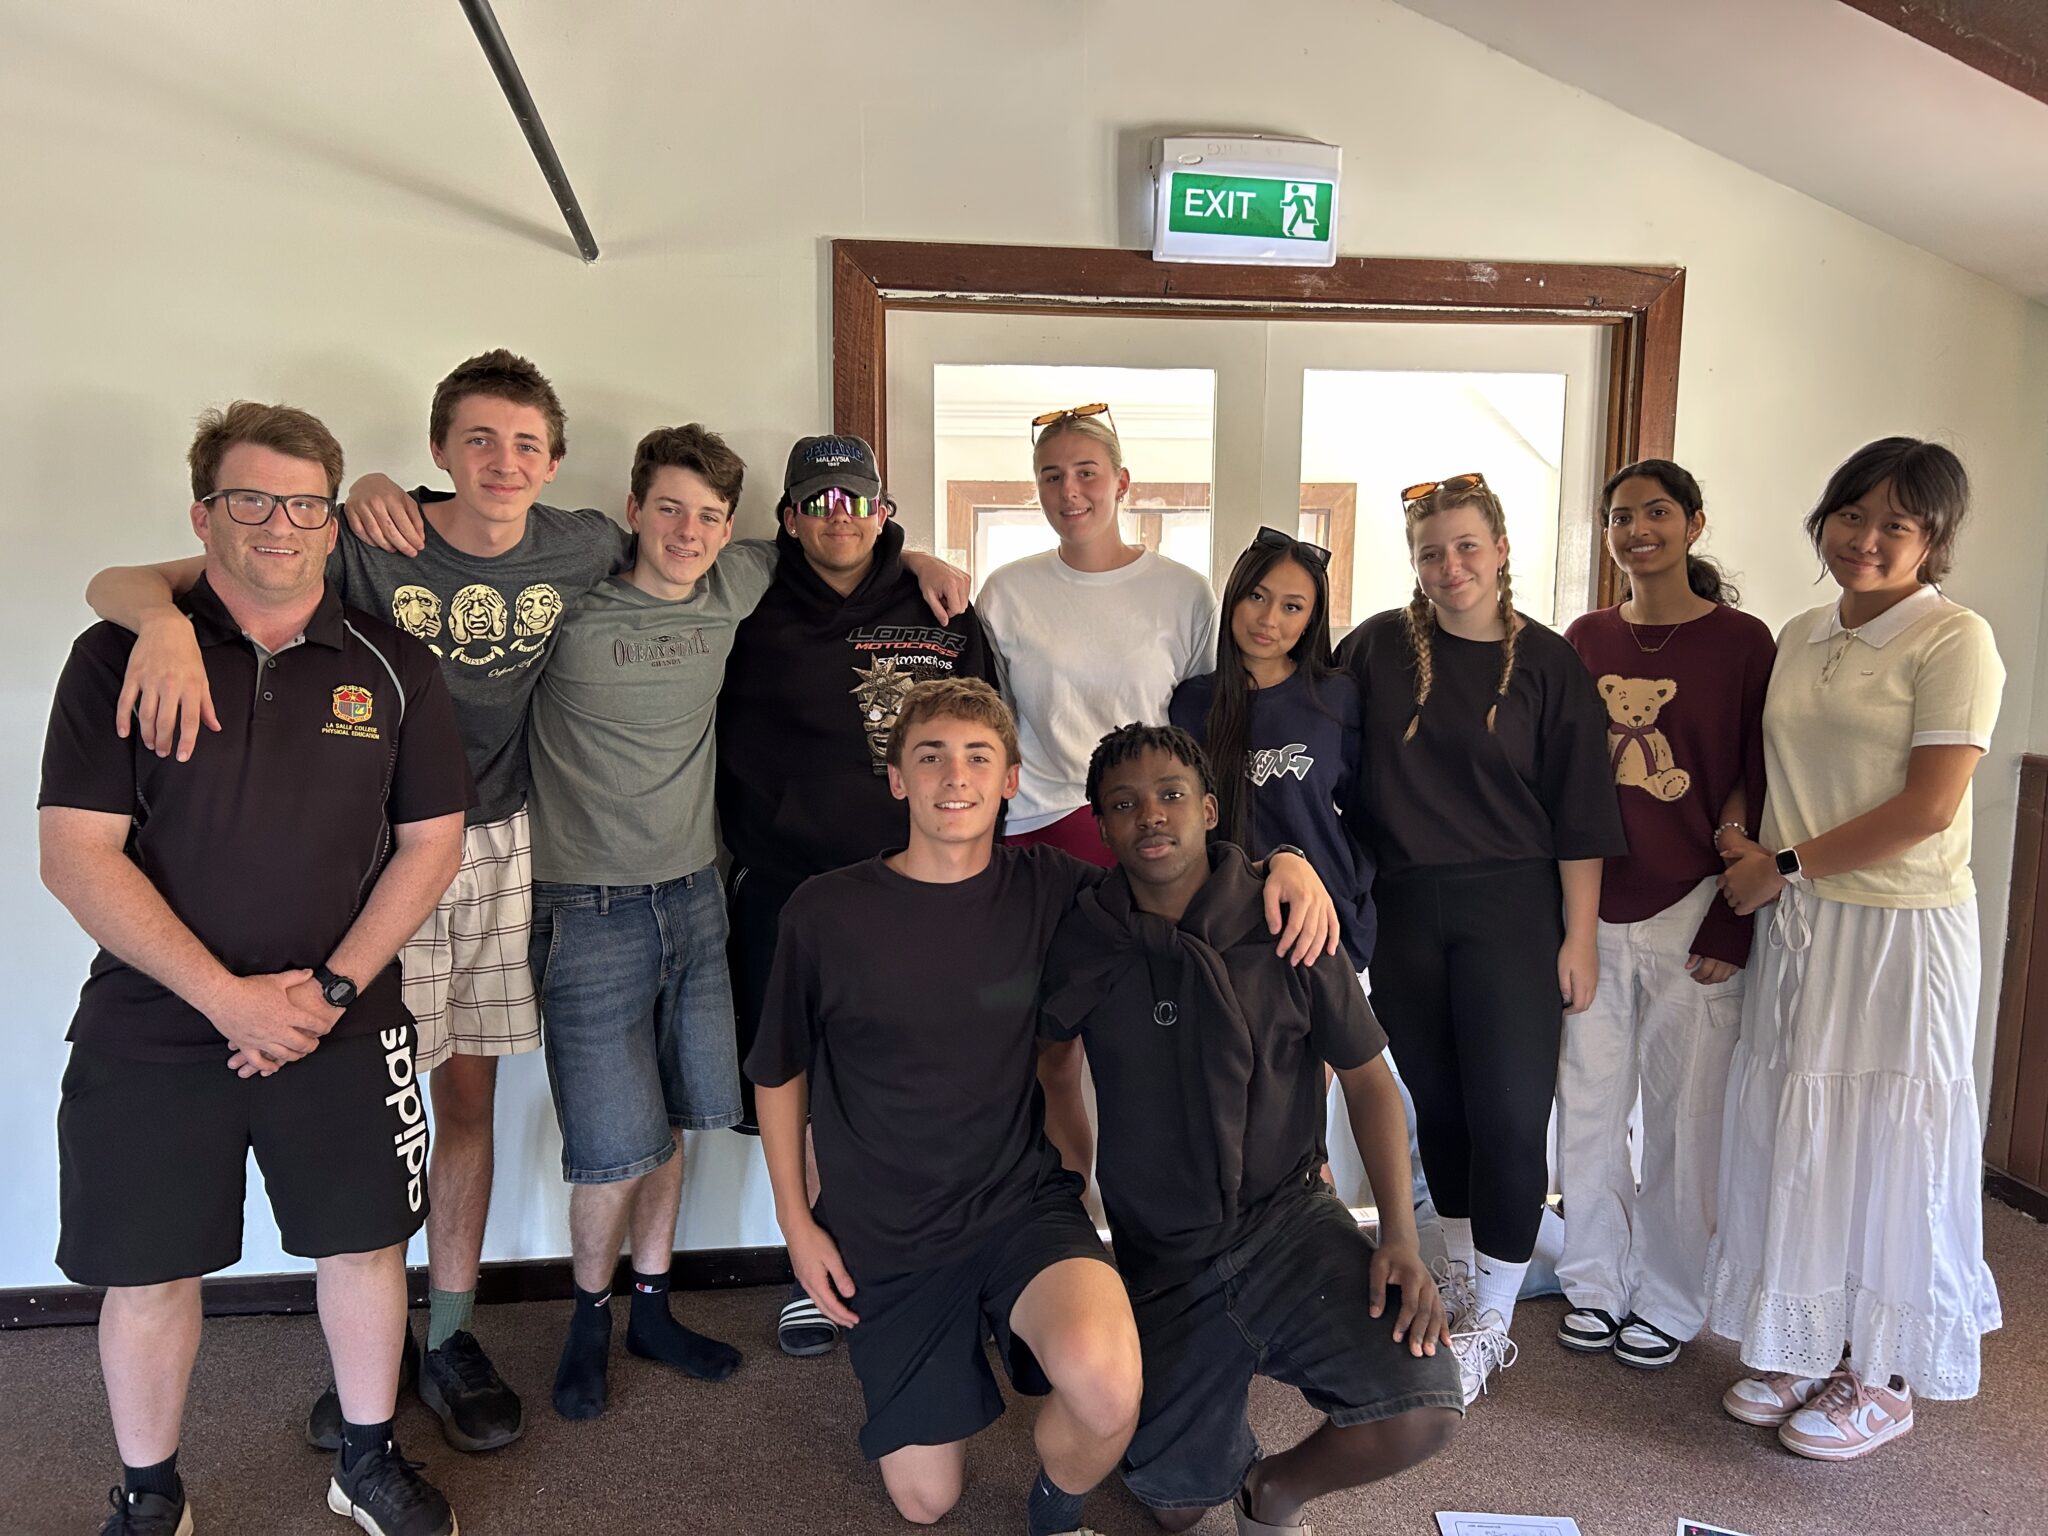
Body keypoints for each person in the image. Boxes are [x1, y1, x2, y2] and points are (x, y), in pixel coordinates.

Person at [86, 350, 632, 1453]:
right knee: (355, 1108)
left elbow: (709, 547)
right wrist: (158, 623)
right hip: (376, 859)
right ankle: (366, 1364)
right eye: (478, 439)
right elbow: (138, 579)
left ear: (554, 462)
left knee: (465, 1099)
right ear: (438, 451)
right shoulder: (371, 532)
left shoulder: (580, 542)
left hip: (495, 839)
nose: (502, 462)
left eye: (526, 444)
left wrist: (908, 552)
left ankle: (451, 1335)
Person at [747, 678, 1337, 1532]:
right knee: (925, 1503)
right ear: (898, 779)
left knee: (1108, 1386)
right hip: (890, 1236)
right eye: (931, 757)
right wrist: (796, 1225)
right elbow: (778, 1073)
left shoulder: (1055, 888)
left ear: (1011, 780)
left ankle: (1054, 1515)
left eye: (978, 757)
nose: (956, 776)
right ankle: (963, 1350)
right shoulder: (825, 912)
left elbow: (1176, 866)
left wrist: (1283, 863)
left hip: (1017, 1207)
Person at [43, 403, 472, 1536]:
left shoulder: (395, 665)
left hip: (343, 1015)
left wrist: (327, 994)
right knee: (147, 1271)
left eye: (303, 504)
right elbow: (75, 856)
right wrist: (228, 1000)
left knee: (366, 1246)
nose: (278, 524)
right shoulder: (117, 656)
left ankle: (366, 1461)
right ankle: (151, 1495)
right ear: (204, 517)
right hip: (154, 1018)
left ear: (331, 523)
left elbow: (432, 844)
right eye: (250, 500)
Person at [1039, 723, 1461, 1536]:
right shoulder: (1087, 937)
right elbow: (1055, 1068)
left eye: (1170, 796)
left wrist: (1400, 1238)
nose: (1150, 816)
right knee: (1174, 1509)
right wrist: (1072, 1207)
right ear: (1101, 827)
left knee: (1423, 1407)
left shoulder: (1288, 919)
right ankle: (1209, 1432)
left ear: (1208, 810)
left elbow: (1369, 1081)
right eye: (1123, 804)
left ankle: (1272, 1490)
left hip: (1287, 1220)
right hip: (1163, 1253)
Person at [1710, 438, 2004, 1460]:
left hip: (1897, 929)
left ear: (1932, 540)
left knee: (1886, 1138)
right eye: (1851, 514)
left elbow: (1928, 808)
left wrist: (1781, 865)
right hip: (1802, 922)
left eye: (1895, 525)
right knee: (1805, 1136)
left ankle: (1883, 1376)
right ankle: (1807, 1342)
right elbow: (1768, 766)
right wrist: (1744, 837)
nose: (1866, 539)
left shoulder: (1954, 639)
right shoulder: (1801, 632)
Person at [1335, 471, 1626, 1404]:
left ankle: (1492, 1321)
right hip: (1406, 910)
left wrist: (1579, 938)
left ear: (1500, 549)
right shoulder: (1376, 648)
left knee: (1508, 1114)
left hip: (1513, 910)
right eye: (1431, 552)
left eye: (1467, 546)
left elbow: (1582, 810)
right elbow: (1312, 738)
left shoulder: (1547, 662)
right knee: (1445, 1112)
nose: (1450, 565)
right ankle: (1462, 1280)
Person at [715, 433, 985, 1358]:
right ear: (789, 518)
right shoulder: (745, 598)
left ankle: (925, 1258)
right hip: (787, 889)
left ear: (885, 512)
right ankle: (814, 1260)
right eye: (819, 502)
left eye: (857, 500)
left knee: (924, 1077)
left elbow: (984, 732)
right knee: (799, 1084)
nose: (841, 517)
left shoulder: (940, 605)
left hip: (920, 886)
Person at [522, 424, 770, 1420]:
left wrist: (917, 556)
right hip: (584, 909)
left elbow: (835, 547)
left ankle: (654, 1311)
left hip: (695, 898)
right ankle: (588, 1319)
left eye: (708, 515)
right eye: (668, 508)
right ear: (632, 510)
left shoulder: (735, 584)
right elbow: (468, 558)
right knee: (610, 1143)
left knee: (672, 1120)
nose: (688, 531)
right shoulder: (565, 605)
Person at [1555, 460, 1777, 1371]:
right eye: (1620, 517)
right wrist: (1563, 922)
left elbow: (1760, 781)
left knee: (1687, 1119)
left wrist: (1732, 921)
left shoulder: (1744, 643)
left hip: (1695, 908)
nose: (1637, 530)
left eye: (1655, 512)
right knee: (1589, 1107)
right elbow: (1560, 779)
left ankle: (1671, 1298)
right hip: (1593, 909)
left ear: (1693, 523)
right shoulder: (1585, 637)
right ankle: (1594, 1283)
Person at [977, 403, 1218, 1191]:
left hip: (1145, 841)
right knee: (1049, 1054)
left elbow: (1202, 732)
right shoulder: (1007, 593)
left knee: (1150, 1044)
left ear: (1122, 482)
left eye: (1087, 473)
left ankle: (1162, 1215)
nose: (1070, 491)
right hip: (1036, 836)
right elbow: (987, 717)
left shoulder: (1182, 593)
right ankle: (1071, 1224)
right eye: (1052, 476)